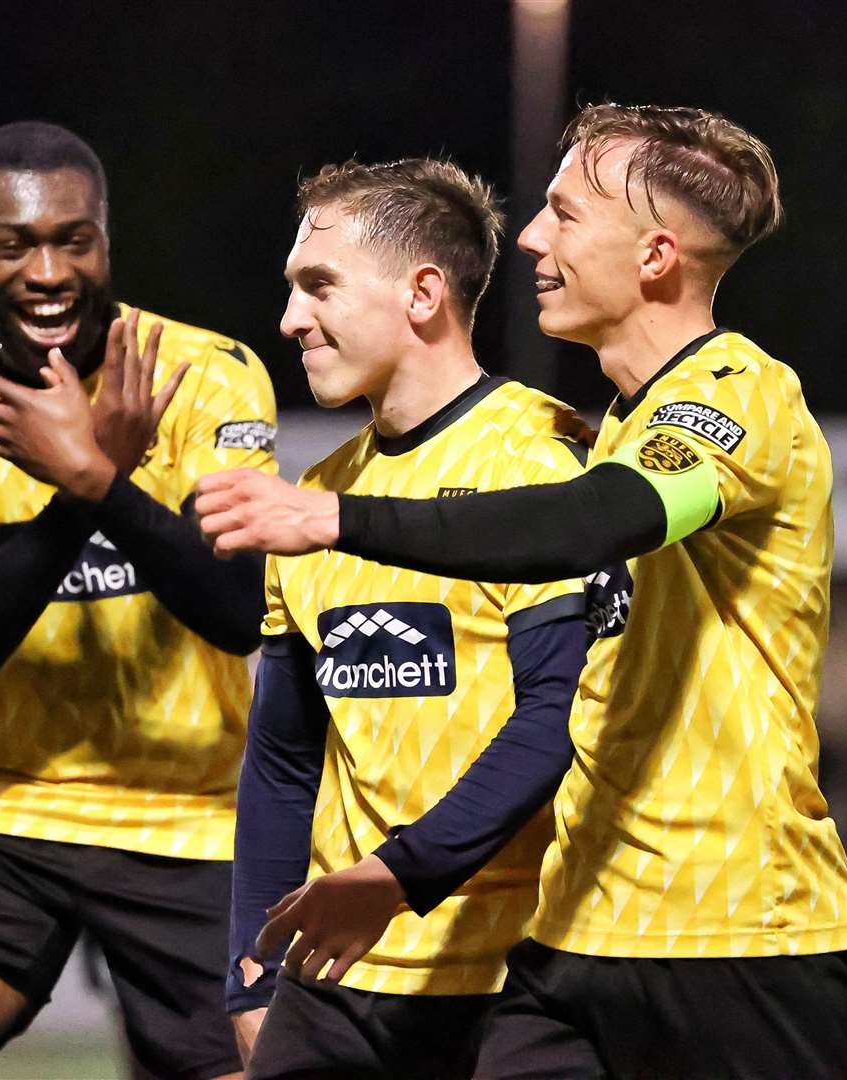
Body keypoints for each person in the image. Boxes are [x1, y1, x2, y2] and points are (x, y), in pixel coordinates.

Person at [198, 103, 847, 1079]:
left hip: (739, 935)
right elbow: (283, 752)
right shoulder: (616, 425)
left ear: (653, 257)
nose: (529, 237)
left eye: (564, 213)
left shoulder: (736, 394)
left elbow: (594, 520)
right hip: (573, 940)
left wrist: (340, 522)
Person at [0, 121, 275, 1080]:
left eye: (74, 239)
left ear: (105, 236)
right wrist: (84, 492)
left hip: (194, 822)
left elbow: (240, 611)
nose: (48, 271)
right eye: (14, 243)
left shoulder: (206, 376)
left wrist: (104, 485)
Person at [225, 159, 590, 1079]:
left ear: (422, 292)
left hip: (516, 980)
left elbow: (558, 722)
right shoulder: (315, 496)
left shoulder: (540, 463)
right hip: (334, 980)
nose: (289, 320)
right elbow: (282, 756)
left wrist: (393, 878)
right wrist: (252, 971)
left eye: (318, 286)